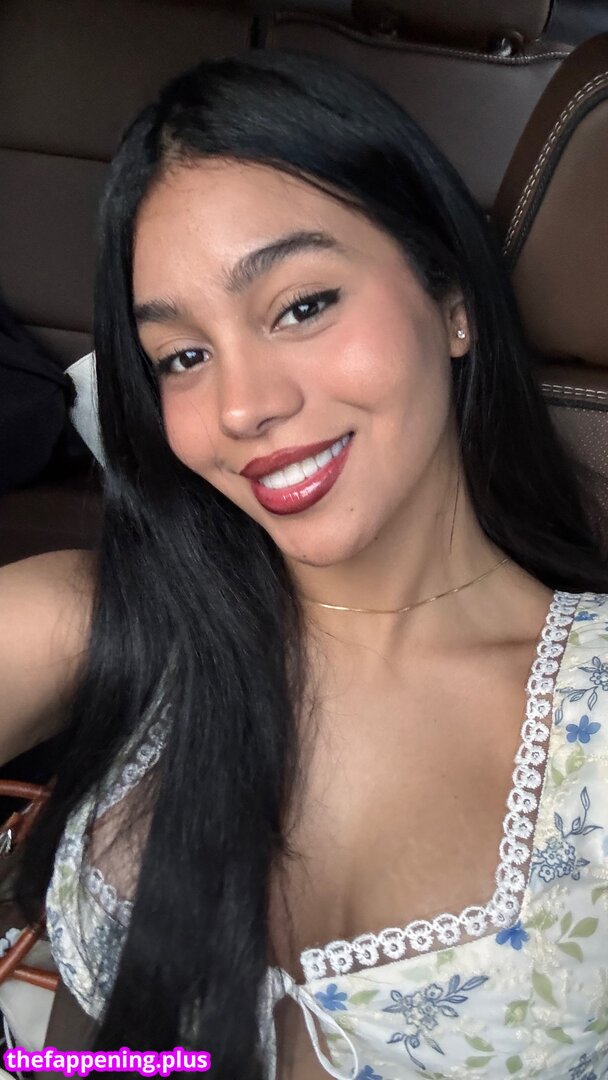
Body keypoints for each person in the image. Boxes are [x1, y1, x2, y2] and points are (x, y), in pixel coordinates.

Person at [2, 49, 608, 1080]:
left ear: (451, 302)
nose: (242, 407)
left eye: (301, 306)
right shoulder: (105, 619)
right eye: (181, 357)